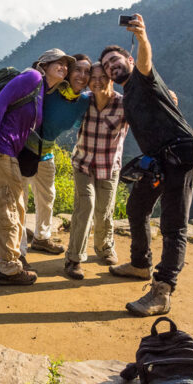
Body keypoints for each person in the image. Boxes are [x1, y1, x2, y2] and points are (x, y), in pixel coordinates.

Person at [100, 14, 193, 316]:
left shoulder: (142, 77)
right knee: (137, 207)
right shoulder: (128, 93)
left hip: (181, 158)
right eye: (106, 66)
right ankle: (141, 264)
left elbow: (146, 60)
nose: (111, 66)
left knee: (173, 227)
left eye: (115, 60)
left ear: (129, 58)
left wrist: (142, 36)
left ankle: (162, 292)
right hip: (157, 162)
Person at [0, 49, 74, 285]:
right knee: (11, 205)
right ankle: (9, 267)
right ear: (43, 64)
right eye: (58, 63)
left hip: (1, 151)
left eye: (66, 65)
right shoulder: (32, 78)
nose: (64, 67)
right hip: (0, 150)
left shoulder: (40, 91)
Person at [63, 64, 129, 279]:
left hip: (109, 167)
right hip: (83, 163)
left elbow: (148, 111)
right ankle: (74, 258)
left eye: (103, 77)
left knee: (104, 210)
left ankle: (104, 247)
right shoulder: (85, 100)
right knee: (86, 205)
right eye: (94, 77)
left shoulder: (123, 104)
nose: (97, 81)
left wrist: (169, 98)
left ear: (112, 79)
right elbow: (62, 99)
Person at [24, 54, 93, 254]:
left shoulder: (83, 101)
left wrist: (162, 94)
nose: (82, 75)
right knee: (19, 200)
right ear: (69, 73)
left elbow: (111, 97)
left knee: (47, 197)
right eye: (78, 70)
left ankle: (41, 238)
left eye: (87, 72)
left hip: (45, 152)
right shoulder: (49, 90)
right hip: (22, 151)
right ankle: (17, 250)